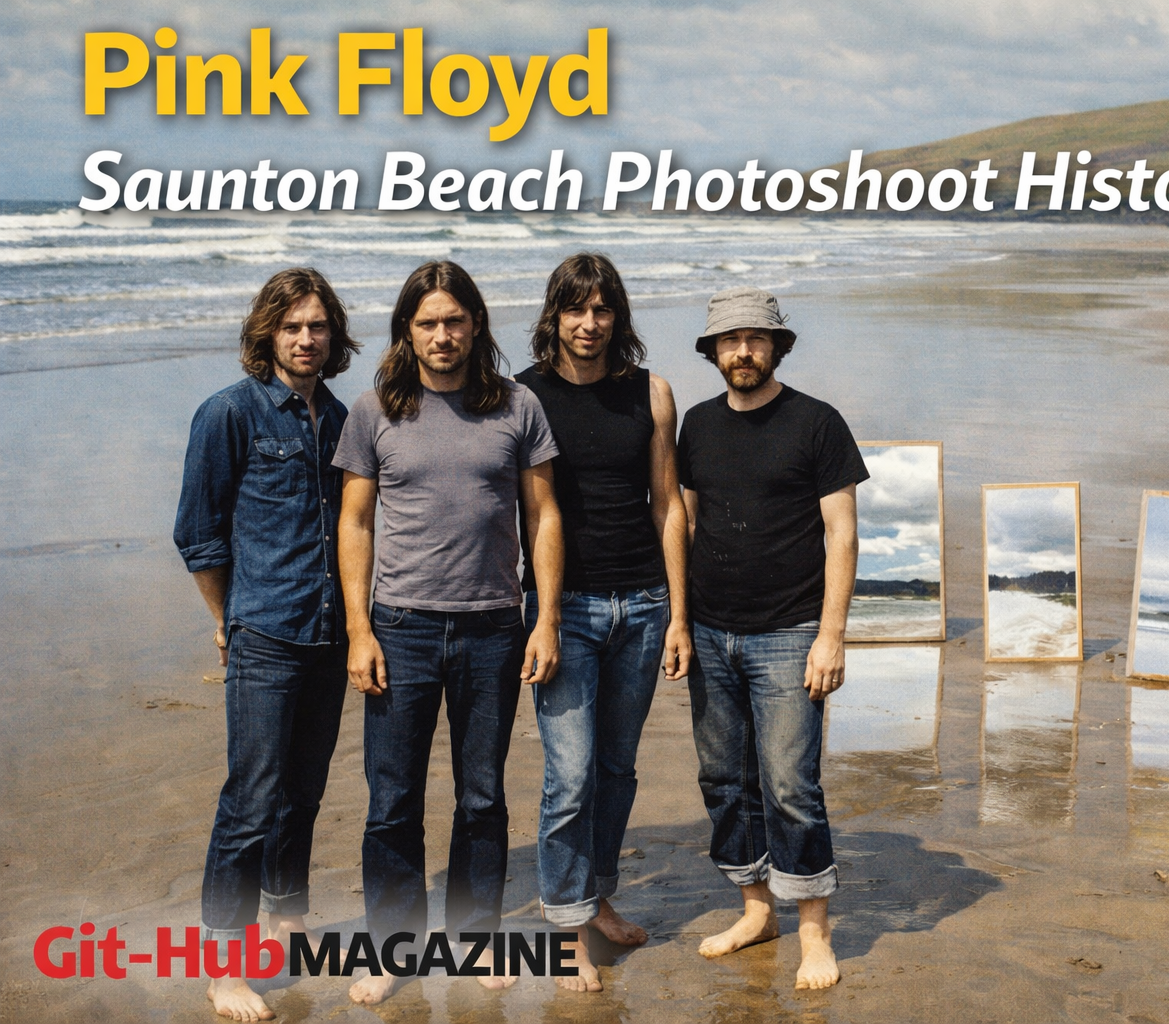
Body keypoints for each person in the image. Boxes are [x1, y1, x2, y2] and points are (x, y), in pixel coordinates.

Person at [333, 261, 563, 1005]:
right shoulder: (374, 410)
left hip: (494, 627)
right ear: (407, 330)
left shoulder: (517, 406)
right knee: (392, 799)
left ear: (476, 325)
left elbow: (544, 516)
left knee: (483, 796)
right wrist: (359, 629)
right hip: (400, 627)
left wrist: (545, 618)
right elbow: (355, 523)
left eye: (454, 321)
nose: (442, 335)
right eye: (428, 322)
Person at [173, 267, 360, 1022]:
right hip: (267, 632)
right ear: (267, 333)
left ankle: (287, 920)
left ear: (333, 335)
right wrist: (228, 617)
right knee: (251, 799)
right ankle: (223, 967)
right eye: (291, 327)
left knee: (303, 791)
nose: (305, 339)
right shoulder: (229, 412)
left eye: (317, 326)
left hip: (329, 631)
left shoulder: (341, 416)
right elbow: (198, 531)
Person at [675, 285, 867, 991]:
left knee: (790, 784)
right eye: (730, 341)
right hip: (710, 631)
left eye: (756, 338)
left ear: (777, 347)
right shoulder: (697, 425)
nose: (743, 351)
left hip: (791, 633)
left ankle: (815, 933)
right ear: (713, 352)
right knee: (726, 782)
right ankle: (757, 911)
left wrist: (831, 636)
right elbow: (685, 524)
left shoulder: (817, 423)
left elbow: (842, 534)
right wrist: (678, 621)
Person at [513, 253, 691, 992]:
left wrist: (679, 613)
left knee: (617, 769)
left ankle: (599, 897)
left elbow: (668, 504)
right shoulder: (522, 396)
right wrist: (544, 616)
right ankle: (565, 926)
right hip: (568, 610)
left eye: (602, 309)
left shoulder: (651, 391)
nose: (589, 324)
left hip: (644, 605)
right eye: (575, 309)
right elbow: (528, 512)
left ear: (618, 316)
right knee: (571, 773)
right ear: (554, 316)